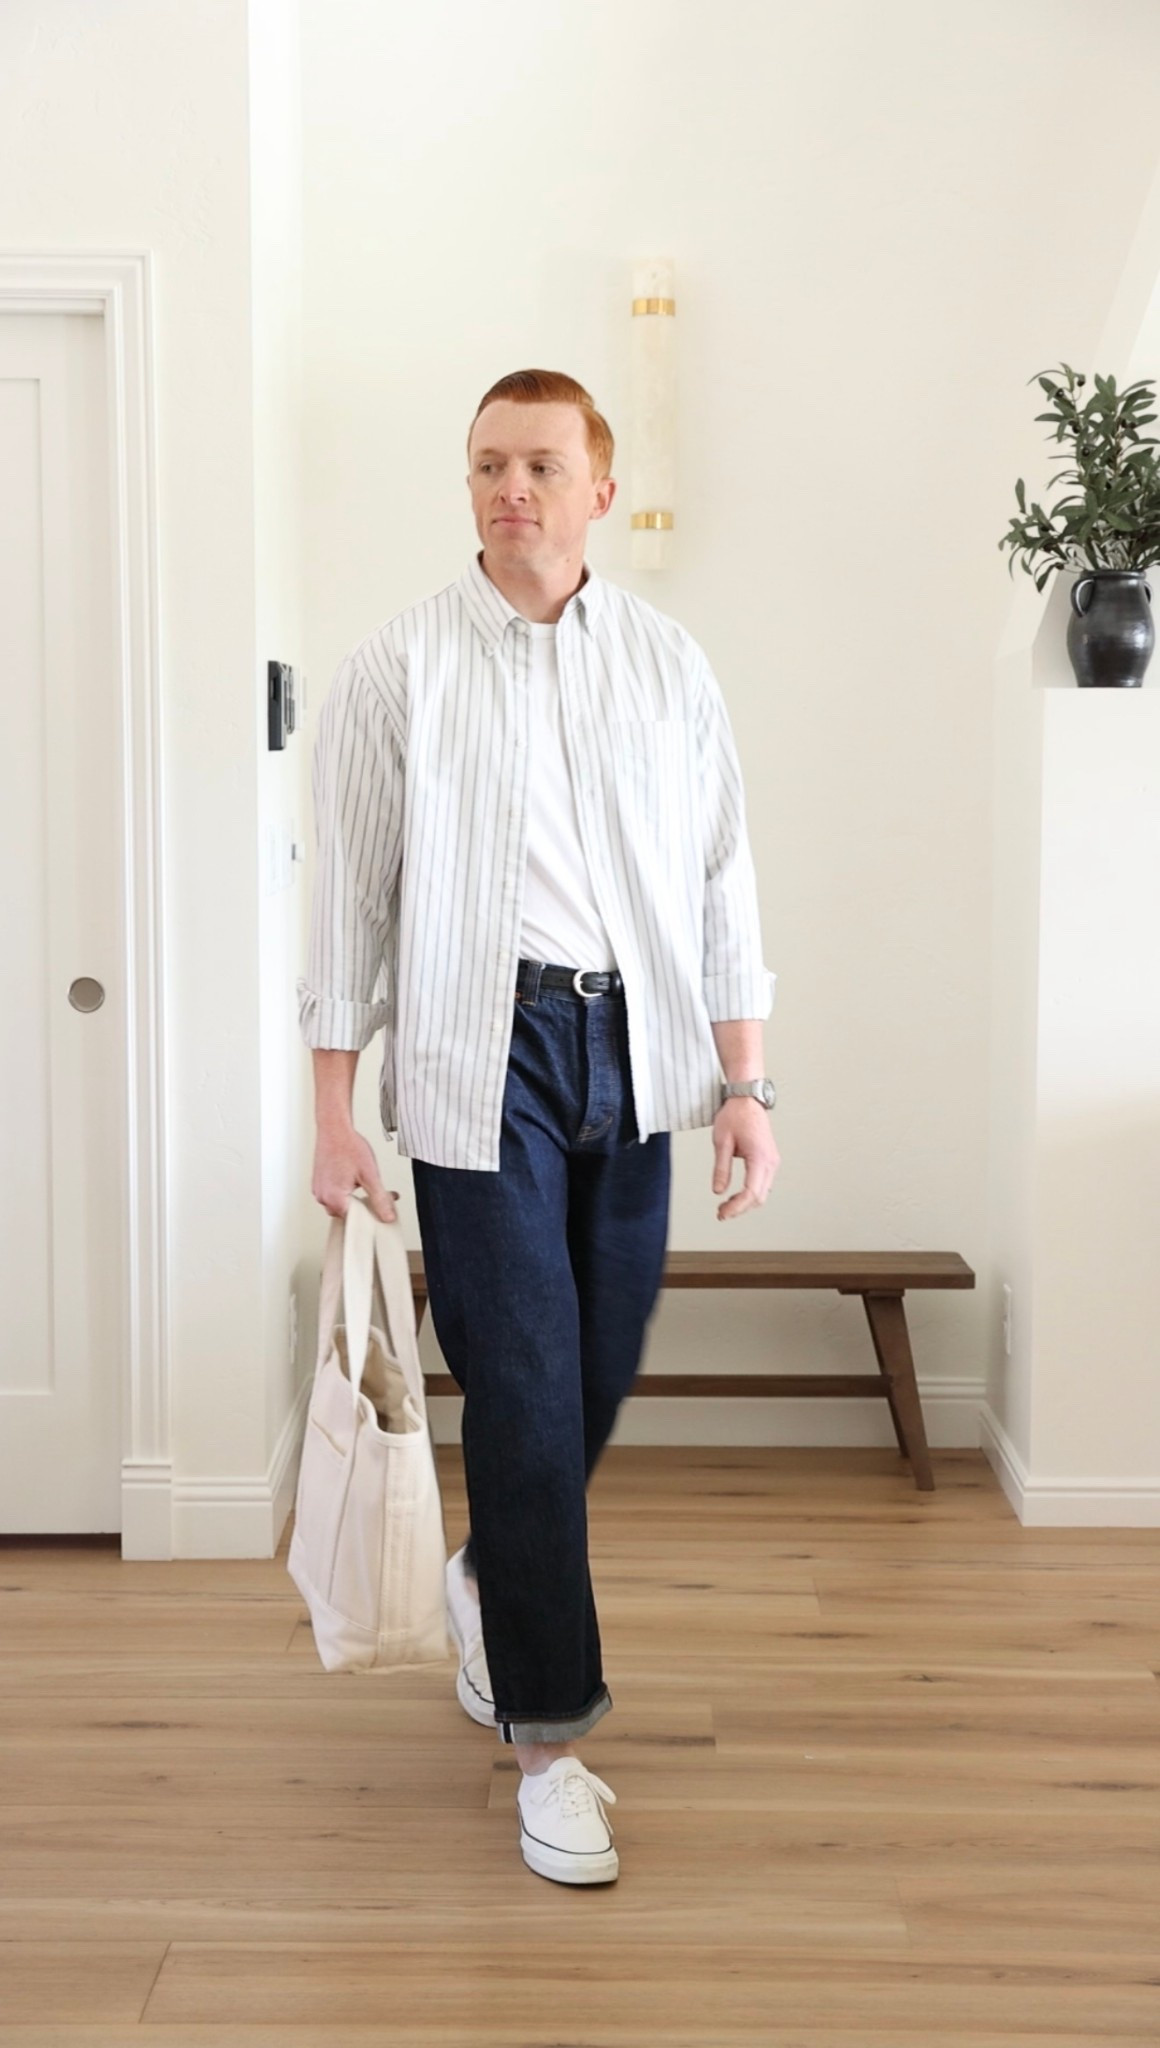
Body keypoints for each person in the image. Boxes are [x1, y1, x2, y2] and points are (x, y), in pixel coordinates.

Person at [297, 367, 779, 1887]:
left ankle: (487, 1576)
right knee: (519, 1386)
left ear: (599, 492)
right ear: (471, 486)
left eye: (542, 465)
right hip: (473, 1054)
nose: (513, 487)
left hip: (634, 1052)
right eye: (490, 464)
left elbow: (722, 877)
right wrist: (333, 1115)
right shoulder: (398, 668)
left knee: (596, 1370)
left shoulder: (667, 664)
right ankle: (550, 1744)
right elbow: (345, 905)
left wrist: (748, 1083)